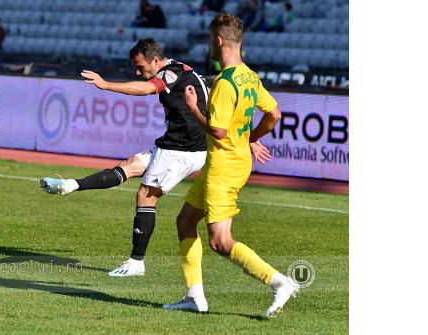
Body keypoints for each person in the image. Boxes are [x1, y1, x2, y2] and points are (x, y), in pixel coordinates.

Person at [162, 13, 297, 318]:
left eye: (212, 40)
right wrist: (250, 136)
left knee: (220, 242)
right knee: (185, 221)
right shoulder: (249, 75)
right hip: (231, 162)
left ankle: (279, 282)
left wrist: (195, 108)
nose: (210, 45)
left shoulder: (224, 82)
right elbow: (274, 114)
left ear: (219, 41)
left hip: (224, 167)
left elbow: (218, 130)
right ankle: (194, 296)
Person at [39, 38, 210, 277]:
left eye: (141, 67)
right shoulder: (181, 70)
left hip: (183, 149)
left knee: (145, 196)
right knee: (129, 166)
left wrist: (106, 85)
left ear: (154, 59)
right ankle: (71, 185)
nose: (138, 73)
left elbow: (148, 89)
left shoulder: (170, 74)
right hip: (175, 143)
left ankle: (136, 262)